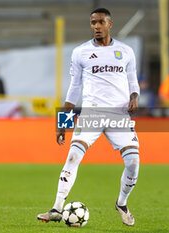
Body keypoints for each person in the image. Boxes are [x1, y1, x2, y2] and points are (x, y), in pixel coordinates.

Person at [37, 8, 140, 226]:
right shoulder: (80, 52)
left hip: (119, 115)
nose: (96, 26)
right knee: (73, 156)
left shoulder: (126, 51)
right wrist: (62, 123)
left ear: (110, 24)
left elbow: (133, 84)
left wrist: (134, 99)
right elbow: (73, 89)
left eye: (100, 22)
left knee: (133, 163)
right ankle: (56, 208)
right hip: (91, 113)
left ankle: (121, 203)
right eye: (93, 23)